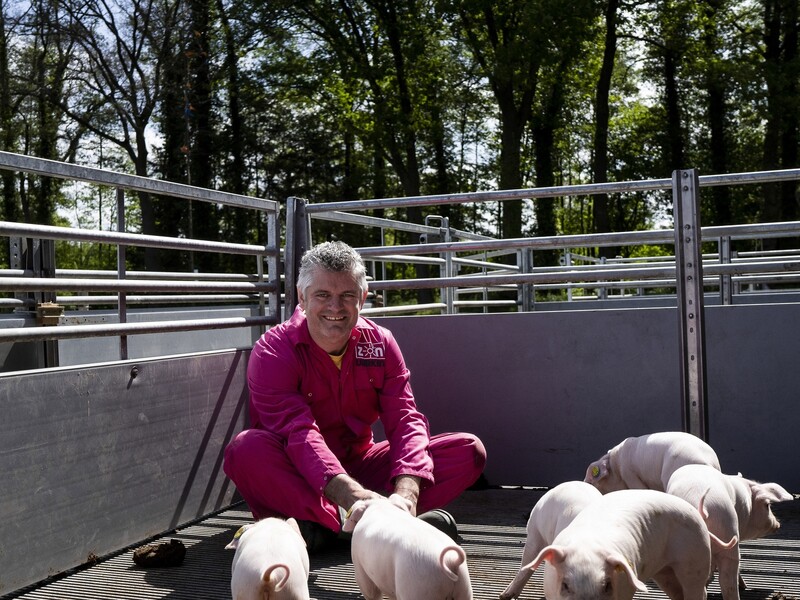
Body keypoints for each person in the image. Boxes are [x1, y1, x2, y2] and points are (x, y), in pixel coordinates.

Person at [223, 240, 487, 551]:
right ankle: (377, 527)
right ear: (302, 298)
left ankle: (333, 527)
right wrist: (353, 496)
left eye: (347, 295)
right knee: (245, 450)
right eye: (323, 295)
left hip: (360, 465)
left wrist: (407, 493)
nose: (335, 307)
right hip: (298, 471)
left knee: (468, 450)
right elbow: (298, 433)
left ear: (362, 298)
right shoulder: (274, 350)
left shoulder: (381, 343)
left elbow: (405, 419)